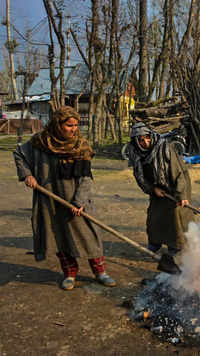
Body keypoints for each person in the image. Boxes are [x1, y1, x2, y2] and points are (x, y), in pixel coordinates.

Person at [13, 106, 116, 290]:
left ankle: (100, 272)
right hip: (49, 199)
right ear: (57, 125)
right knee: (59, 237)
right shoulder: (40, 142)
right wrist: (27, 174)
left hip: (76, 200)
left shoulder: (80, 146)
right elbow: (19, 153)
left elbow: (85, 178)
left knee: (89, 236)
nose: (73, 129)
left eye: (76, 125)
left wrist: (79, 202)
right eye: (69, 125)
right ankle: (69, 274)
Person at [127, 122, 195, 256]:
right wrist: (153, 189)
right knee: (154, 218)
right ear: (136, 141)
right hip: (157, 189)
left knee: (176, 218)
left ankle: (174, 246)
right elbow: (139, 177)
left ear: (151, 135)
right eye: (141, 140)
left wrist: (181, 195)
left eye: (147, 137)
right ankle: (154, 243)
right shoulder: (136, 153)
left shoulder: (165, 148)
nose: (145, 142)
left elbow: (179, 173)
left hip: (175, 186)